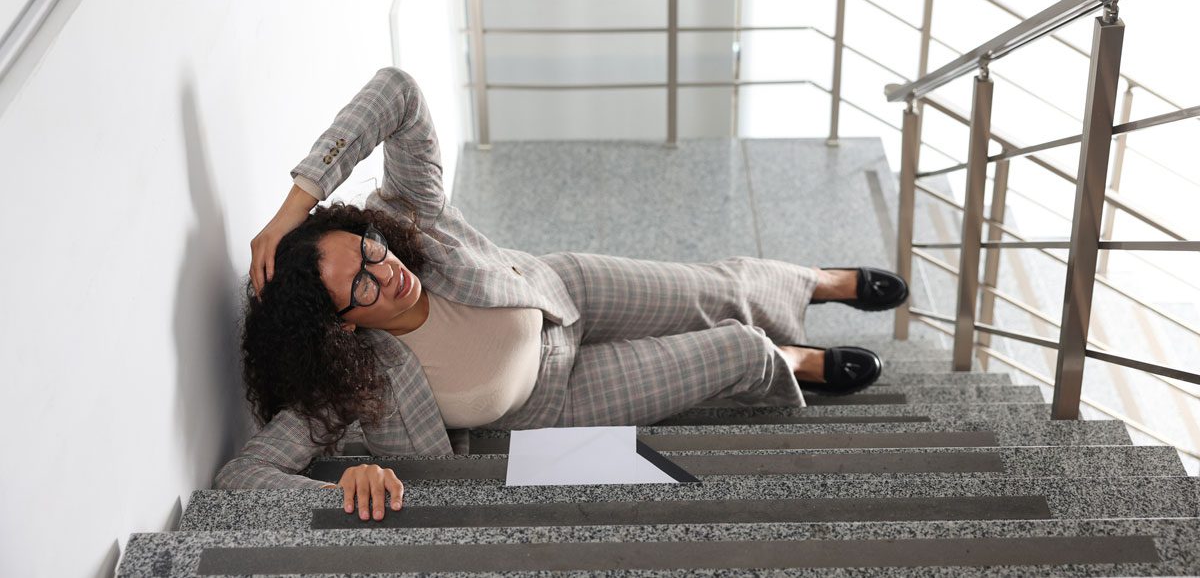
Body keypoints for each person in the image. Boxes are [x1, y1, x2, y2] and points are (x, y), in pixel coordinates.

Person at [214, 67, 909, 523]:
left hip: (563, 290)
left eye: (368, 247)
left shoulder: (414, 222)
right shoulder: (346, 389)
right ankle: (795, 359)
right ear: (340, 328)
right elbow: (245, 477)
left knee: (716, 289)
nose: (384, 268)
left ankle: (818, 281)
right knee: (737, 350)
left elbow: (397, 91)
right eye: (361, 285)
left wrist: (294, 205)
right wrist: (343, 487)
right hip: (558, 399)